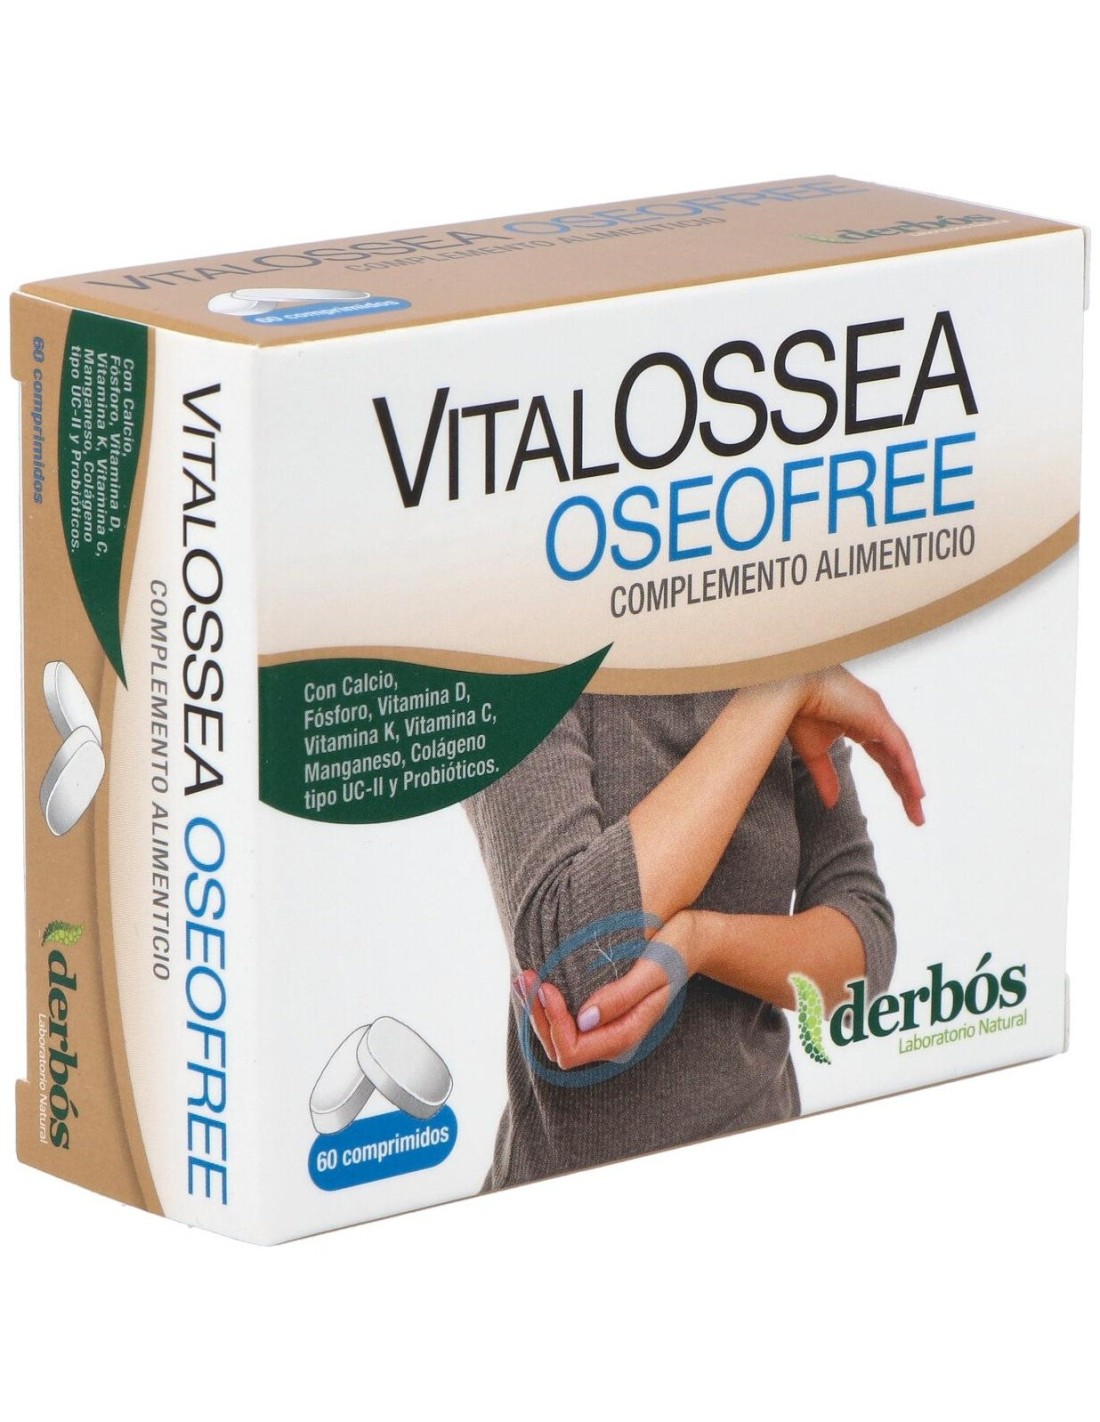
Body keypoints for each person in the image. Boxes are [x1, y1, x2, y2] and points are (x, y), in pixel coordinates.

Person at [464, 667, 925, 1189]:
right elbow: (576, 964)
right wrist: (774, 695)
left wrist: (702, 941)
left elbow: (864, 951)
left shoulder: (771, 643)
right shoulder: (512, 659)